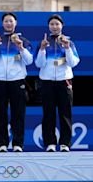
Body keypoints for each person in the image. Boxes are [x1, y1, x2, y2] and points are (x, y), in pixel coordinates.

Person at [0, 12, 33, 152]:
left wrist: (20, 47)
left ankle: (17, 144)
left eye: (11, 21)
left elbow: (29, 61)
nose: (8, 23)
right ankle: (1, 144)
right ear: (2, 24)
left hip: (17, 80)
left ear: (16, 23)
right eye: (6, 21)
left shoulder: (23, 41)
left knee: (18, 114)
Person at [35, 14, 80, 152]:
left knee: (65, 113)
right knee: (48, 114)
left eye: (57, 24)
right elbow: (38, 63)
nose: (54, 27)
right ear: (49, 27)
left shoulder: (69, 42)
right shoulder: (44, 42)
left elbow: (73, 62)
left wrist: (67, 48)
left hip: (64, 81)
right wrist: (42, 49)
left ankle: (65, 143)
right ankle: (50, 143)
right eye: (52, 24)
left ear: (62, 26)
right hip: (47, 82)